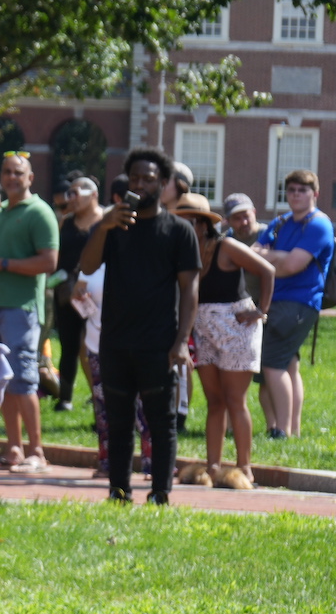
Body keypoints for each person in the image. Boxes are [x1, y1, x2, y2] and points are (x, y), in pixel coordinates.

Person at [77, 148, 200, 504]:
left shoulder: (178, 231)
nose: (141, 185)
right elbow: (86, 267)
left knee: (161, 423)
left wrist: (181, 342)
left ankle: (160, 493)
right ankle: (119, 491)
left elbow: (190, 289)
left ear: (163, 184)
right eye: (135, 179)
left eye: (149, 179)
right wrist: (104, 225)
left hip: (159, 343)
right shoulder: (113, 227)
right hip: (114, 341)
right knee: (117, 423)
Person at [177, 194, 273, 489]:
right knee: (214, 401)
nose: (182, 228)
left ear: (204, 225)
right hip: (204, 329)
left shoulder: (226, 246)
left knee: (235, 399)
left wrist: (261, 310)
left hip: (236, 327)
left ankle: (245, 467)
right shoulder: (182, 252)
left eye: (188, 223)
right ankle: (213, 466)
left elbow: (266, 270)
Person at [0, 151, 58, 471]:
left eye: (19, 172)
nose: (12, 177)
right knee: (4, 379)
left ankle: (36, 451)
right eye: (7, 172)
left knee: (24, 380)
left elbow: (49, 262)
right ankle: (14, 448)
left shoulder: (39, 213)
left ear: (30, 178)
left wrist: (3, 265)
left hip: (22, 309)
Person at [255, 169, 333, 439]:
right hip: (277, 301)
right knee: (288, 365)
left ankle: (281, 431)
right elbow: (253, 255)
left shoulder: (319, 225)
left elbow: (291, 266)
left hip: (298, 304)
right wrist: (274, 257)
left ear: (315, 194)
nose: (296, 194)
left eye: (303, 190)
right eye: (292, 190)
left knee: (272, 366)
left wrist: (270, 257)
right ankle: (293, 430)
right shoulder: (280, 222)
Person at [50, 175, 102, 412]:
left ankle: (99, 395)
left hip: (97, 293)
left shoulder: (104, 222)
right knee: (68, 345)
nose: (71, 197)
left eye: (76, 193)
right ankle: (65, 397)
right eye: (69, 193)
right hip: (68, 293)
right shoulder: (65, 223)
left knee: (96, 346)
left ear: (93, 195)